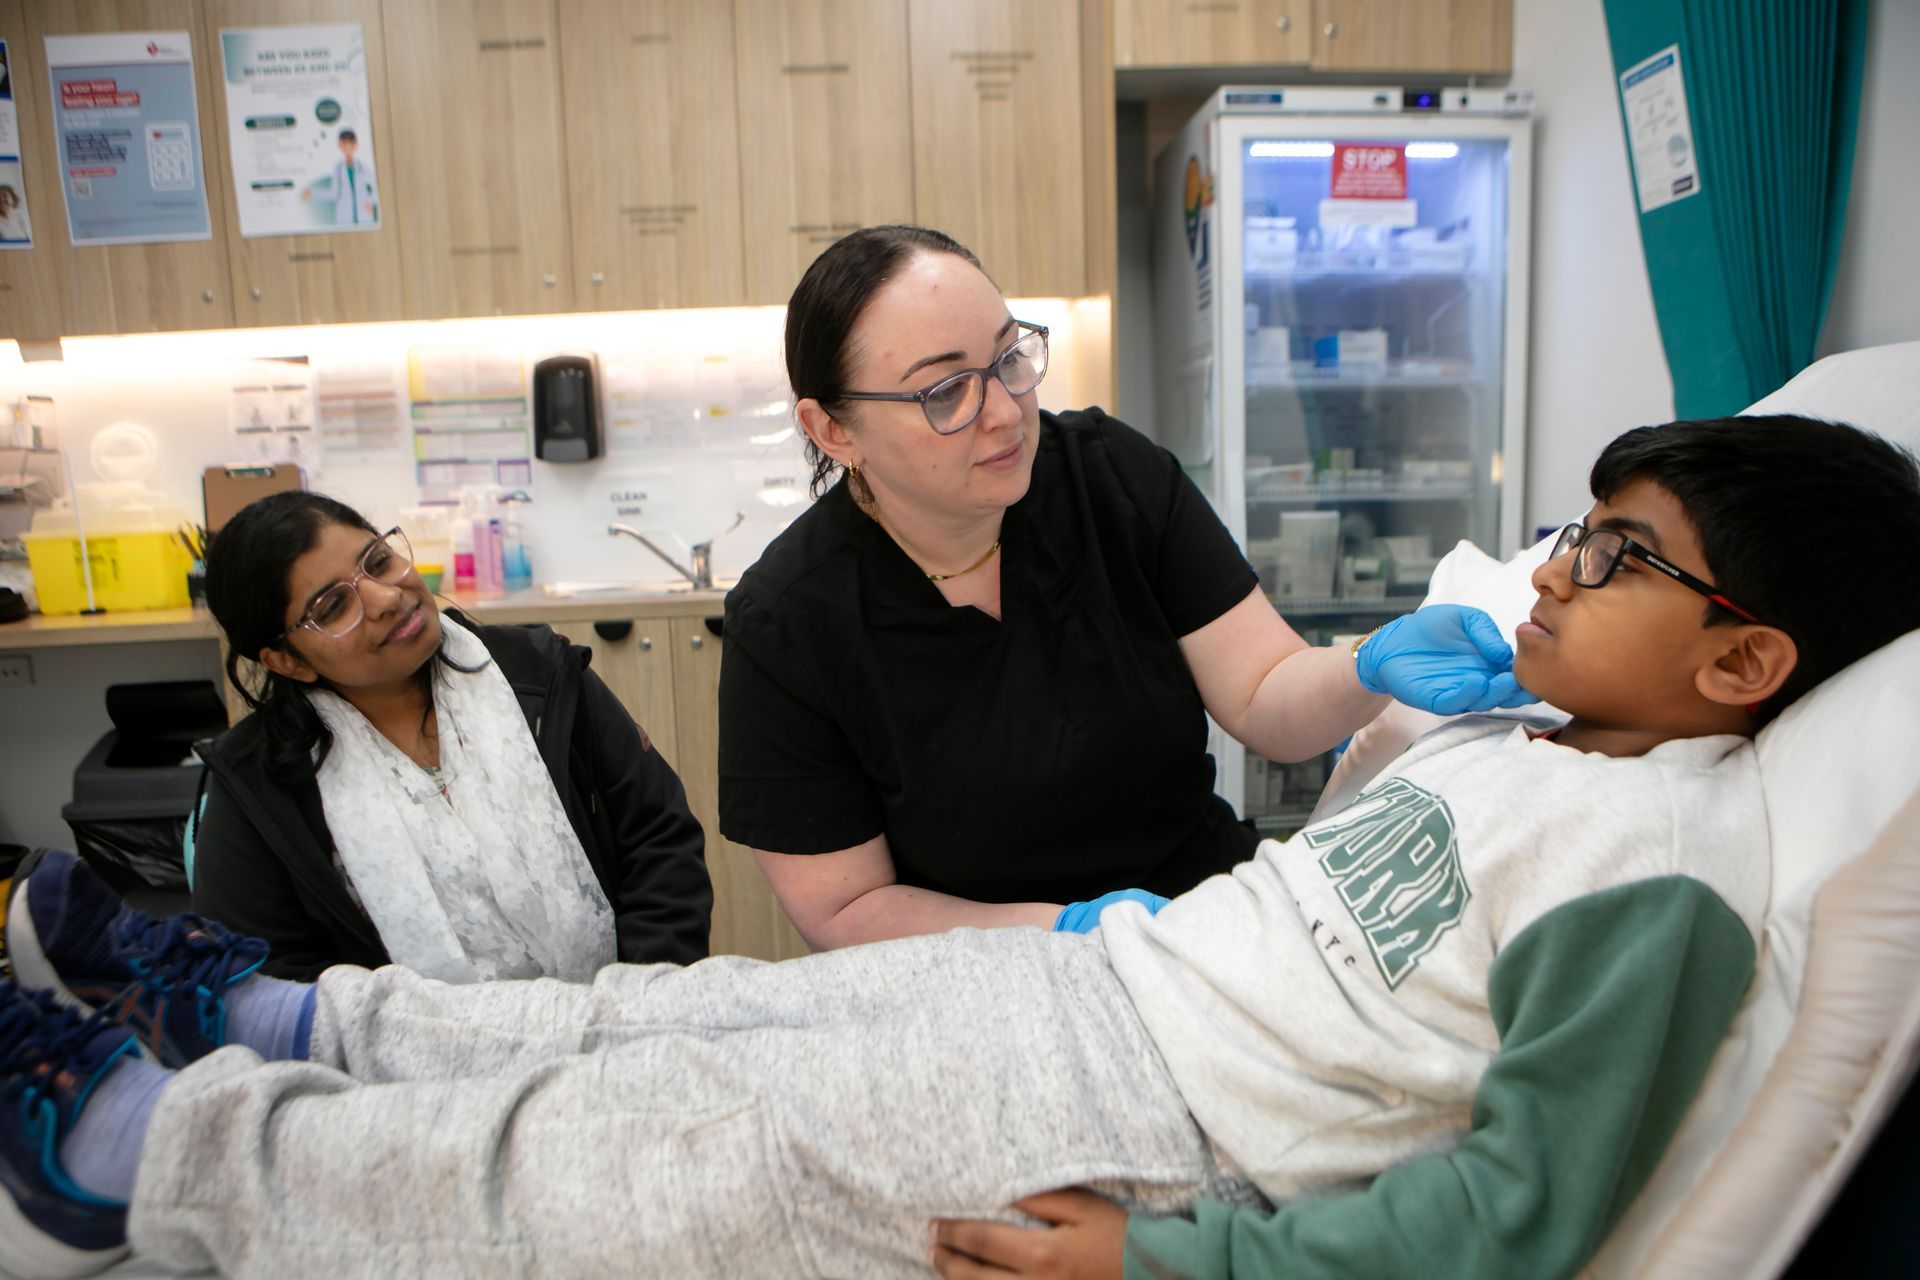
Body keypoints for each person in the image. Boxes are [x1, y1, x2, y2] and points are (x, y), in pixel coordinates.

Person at [3, 413, 1915, 1280]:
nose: (1562, 567)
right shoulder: (1528, 733)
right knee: (670, 1030)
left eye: (1620, 554)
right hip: (1092, 978)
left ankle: (145, 1155)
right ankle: (277, 1021)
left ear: (1749, 657)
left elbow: (1516, 1215)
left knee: (620, 1166)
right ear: (840, 433)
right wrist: (1131, 922)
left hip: (1148, 1108)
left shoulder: (1665, 875)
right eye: (1575, 530)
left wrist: (1170, 1267)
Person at [721, 225, 1531, 949]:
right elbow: (848, 907)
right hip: (989, 973)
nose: (1004, 411)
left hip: (1207, 915)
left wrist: (1366, 665)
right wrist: (1070, 928)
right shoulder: (787, 623)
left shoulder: (1110, 477)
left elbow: (1263, 693)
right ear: (832, 429)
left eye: (1008, 358)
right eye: (945, 392)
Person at [190, 491, 711, 981]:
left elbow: (657, 840)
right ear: (286, 660)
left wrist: (641, 1002)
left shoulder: (541, 676)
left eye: (377, 561)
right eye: (333, 608)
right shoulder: (260, 789)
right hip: (407, 1074)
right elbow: (274, 984)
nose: (386, 596)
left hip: (622, 1030)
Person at [300, 128, 376, 226]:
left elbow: (378, 185)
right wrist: (312, 193)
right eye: (343, 144)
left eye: (349, 144)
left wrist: (371, 201)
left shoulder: (363, 166)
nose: (346, 147)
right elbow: (333, 193)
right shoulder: (338, 168)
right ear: (340, 146)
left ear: (355, 145)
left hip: (364, 215)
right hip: (344, 218)